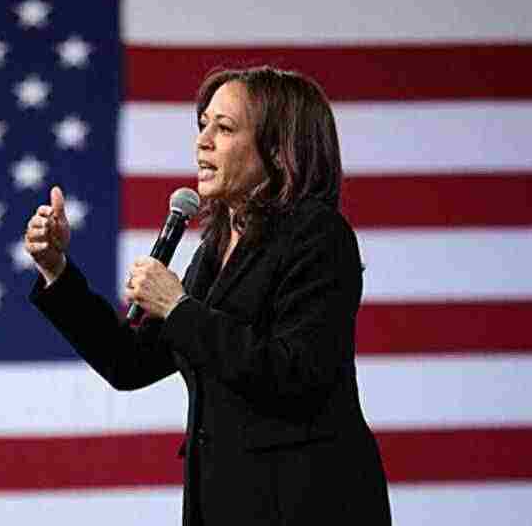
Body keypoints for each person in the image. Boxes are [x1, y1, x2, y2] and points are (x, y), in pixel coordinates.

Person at [25, 65, 391, 525]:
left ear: (279, 151)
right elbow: (130, 362)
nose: (203, 141)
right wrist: (56, 270)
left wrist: (178, 308)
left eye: (225, 128)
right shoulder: (216, 250)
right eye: (203, 126)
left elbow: (294, 374)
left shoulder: (318, 236)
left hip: (306, 505)